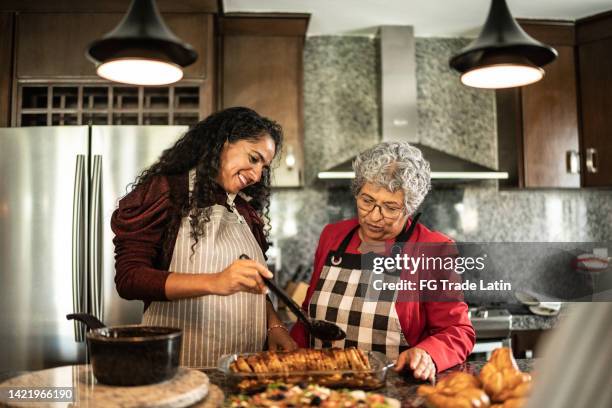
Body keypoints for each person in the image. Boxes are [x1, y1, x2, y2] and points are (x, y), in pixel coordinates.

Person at [111, 107, 297, 368]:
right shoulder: (166, 191)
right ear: (223, 142)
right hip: (179, 367)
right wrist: (216, 282)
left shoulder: (245, 210)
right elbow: (130, 279)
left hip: (242, 366)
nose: (256, 175)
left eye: (263, 167)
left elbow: (253, 283)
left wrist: (274, 324)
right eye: (254, 158)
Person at [291, 142, 475, 381]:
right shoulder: (333, 236)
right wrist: (290, 349)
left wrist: (428, 353)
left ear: (409, 208)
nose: (375, 216)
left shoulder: (433, 249)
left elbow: (457, 330)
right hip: (323, 388)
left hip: (392, 391)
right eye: (367, 201)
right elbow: (309, 316)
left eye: (390, 207)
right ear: (357, 192)